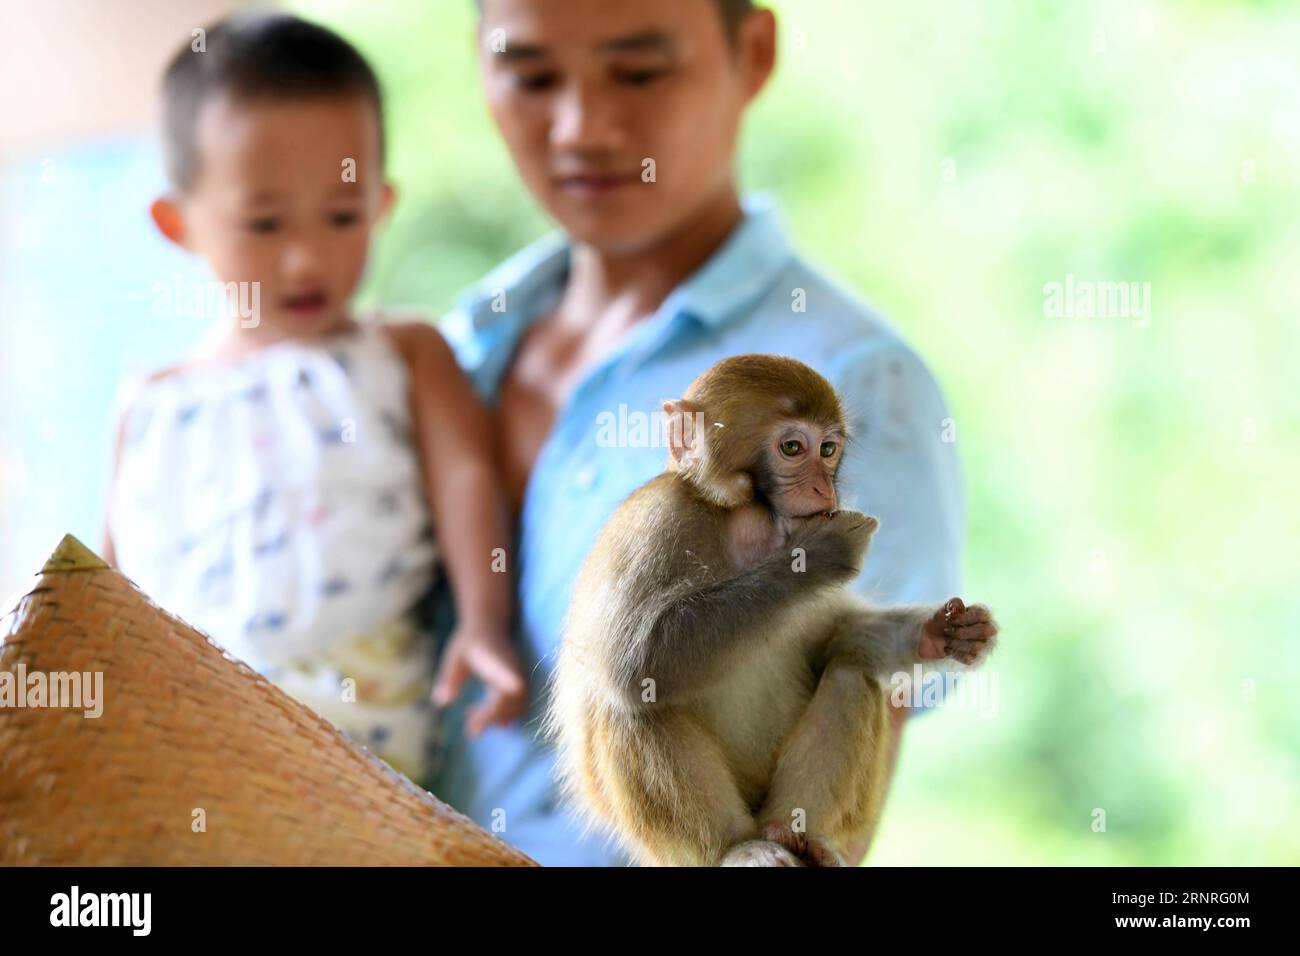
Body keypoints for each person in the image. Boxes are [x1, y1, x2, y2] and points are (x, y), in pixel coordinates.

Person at [427, 0, 965, 865]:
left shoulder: (856, 382)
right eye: (530, 75)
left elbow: (826, 804)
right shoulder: (456, 350)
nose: (582, 126)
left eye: (639, 71)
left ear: (751, 53)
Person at [102, 13, 527, 784]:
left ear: (382, 203)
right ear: (177, 223)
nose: (305, 259)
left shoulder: (402, 352)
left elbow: (469, 479)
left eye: (341, 216)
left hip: (356, 728)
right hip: (179, 731)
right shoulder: (151, 403)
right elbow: (105, 588)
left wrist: (485, 622)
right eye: (263, 223)